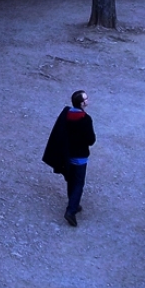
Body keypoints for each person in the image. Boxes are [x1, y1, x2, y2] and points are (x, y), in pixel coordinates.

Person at [42, 90, 96, 226]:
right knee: (78, 183)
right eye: (86, 99)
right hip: (80, 156)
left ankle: (74, 202)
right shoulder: (86, 119)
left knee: (71, 180)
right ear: (82, 103)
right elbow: (91, 140)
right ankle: (71, 210)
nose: (88, 100)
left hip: (67, 154)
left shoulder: (66, 114)